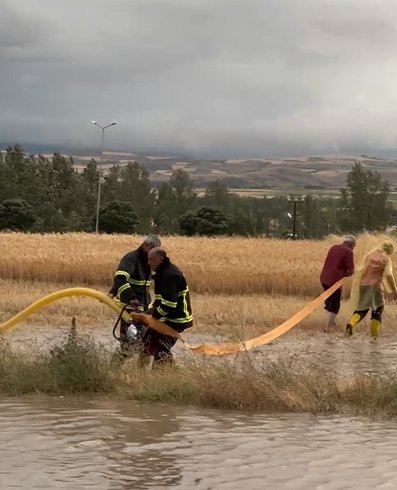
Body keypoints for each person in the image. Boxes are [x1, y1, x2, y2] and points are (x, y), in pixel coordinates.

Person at [140, 247, 193, 366]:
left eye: (151, 260)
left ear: (160, 259)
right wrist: (147, 312)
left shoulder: (170, 275)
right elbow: (159, 300)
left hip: (177, 319)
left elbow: (169, 304)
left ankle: (167, 374)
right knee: (146, 342)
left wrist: (152, 317)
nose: (148, 263)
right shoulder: (160, 273)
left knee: (161, 349)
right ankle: (140, 372)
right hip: (167, 317)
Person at [108, 235, 161, 346]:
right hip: (130, 308)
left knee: (144, 342)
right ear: (146, 245)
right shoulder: (131, 258)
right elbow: (120, 278)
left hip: (144, 306)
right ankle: (118, 362)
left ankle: (139, 363)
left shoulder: (148, 260)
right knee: (128, 342)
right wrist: (131, 297)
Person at [345, 240, 397, 339]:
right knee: (377, 310)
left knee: (362, 309)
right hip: (376, 287)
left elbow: (361, 269)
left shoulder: (369, 255)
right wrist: (394, 290)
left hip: (363, 285)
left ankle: (351, 324)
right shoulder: (386, 258)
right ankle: (374, 337)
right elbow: (389, 275)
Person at [320, 236, 356, 331]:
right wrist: (344, 275)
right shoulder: (349, 251)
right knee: (335, 305)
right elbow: (351, 270)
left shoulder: (333, 247)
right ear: (352, 245)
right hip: (334, 281)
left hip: (324, 278)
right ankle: (328, 327)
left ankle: (332, 322)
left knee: (329, 301)